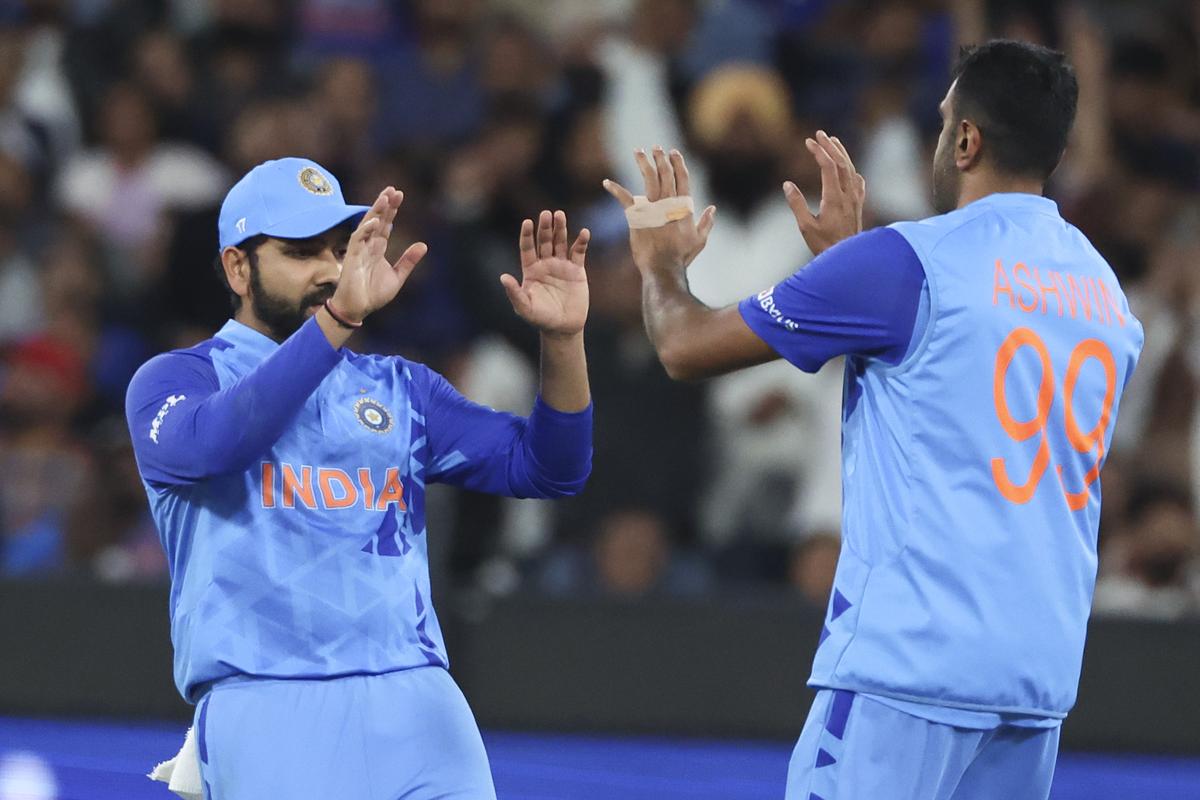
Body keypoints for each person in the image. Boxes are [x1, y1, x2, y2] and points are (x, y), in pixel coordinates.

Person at [604, 40, 1143, 800]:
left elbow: (684, 347)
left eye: (944, 122)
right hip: (1036, 680)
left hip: (909, 668)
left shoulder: (907, 262)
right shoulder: (1104, 290)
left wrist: (661, 262)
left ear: (966, 140)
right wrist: (846, 267)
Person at [125, 157, 593, 799]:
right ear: (238, 268)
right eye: (300, 252)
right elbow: (216, 445)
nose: (329, 271)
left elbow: (551, 468)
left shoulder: (400, 387)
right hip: (269, 707)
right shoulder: (176, 381)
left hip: (421, 706)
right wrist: (337, 322)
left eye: (340, 250)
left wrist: (563, 341)